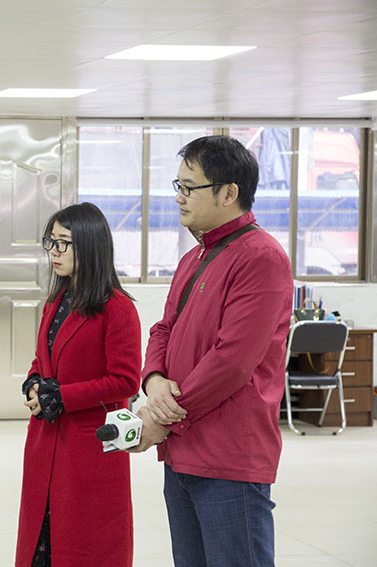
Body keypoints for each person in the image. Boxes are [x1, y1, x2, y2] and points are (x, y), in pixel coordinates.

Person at [130, 135, 294, 566]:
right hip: (182, 451)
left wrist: (162, 417)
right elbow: (164, 329)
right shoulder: (195, 257)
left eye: (190, 187)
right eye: (178, 186)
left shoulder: (261, 257)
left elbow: (232, 361)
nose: (179, 197)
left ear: (228, 193)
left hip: (229, 456)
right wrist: (154, 381)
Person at [15, 203, 141, 567]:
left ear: (89, 245)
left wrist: (62, 397)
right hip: (46, 441)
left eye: (63, 243)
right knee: (41, 542)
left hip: (89, 446)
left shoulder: (117, 307)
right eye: (50, 242)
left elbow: (126, 380)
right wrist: (34, 383)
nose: (54, 252)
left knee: (85, 546)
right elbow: (43, 359)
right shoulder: (57, 300)